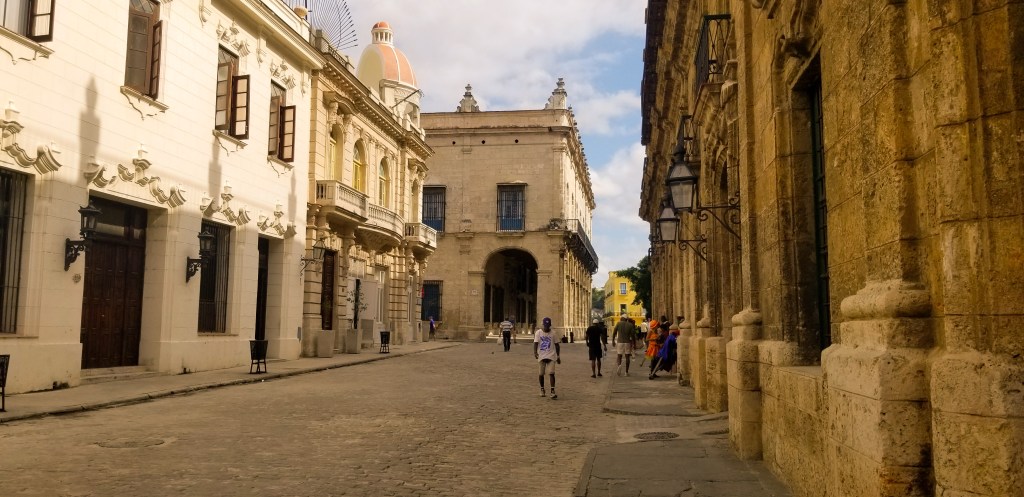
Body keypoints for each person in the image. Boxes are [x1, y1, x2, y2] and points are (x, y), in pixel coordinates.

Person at [533, 317, 561, 399]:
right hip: (541, 355)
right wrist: (535, 352)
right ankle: (542, 389)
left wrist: (558, 356)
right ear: (543, 325)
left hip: (551, 355)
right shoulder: (538, 333)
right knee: (541, 374)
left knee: (551, 373)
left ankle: (552, 391)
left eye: (548, 326)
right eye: (545, 326)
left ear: (550, 325)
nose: (546, 327)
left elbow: (557, 345)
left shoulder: (553, 333)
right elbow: (535, 343)